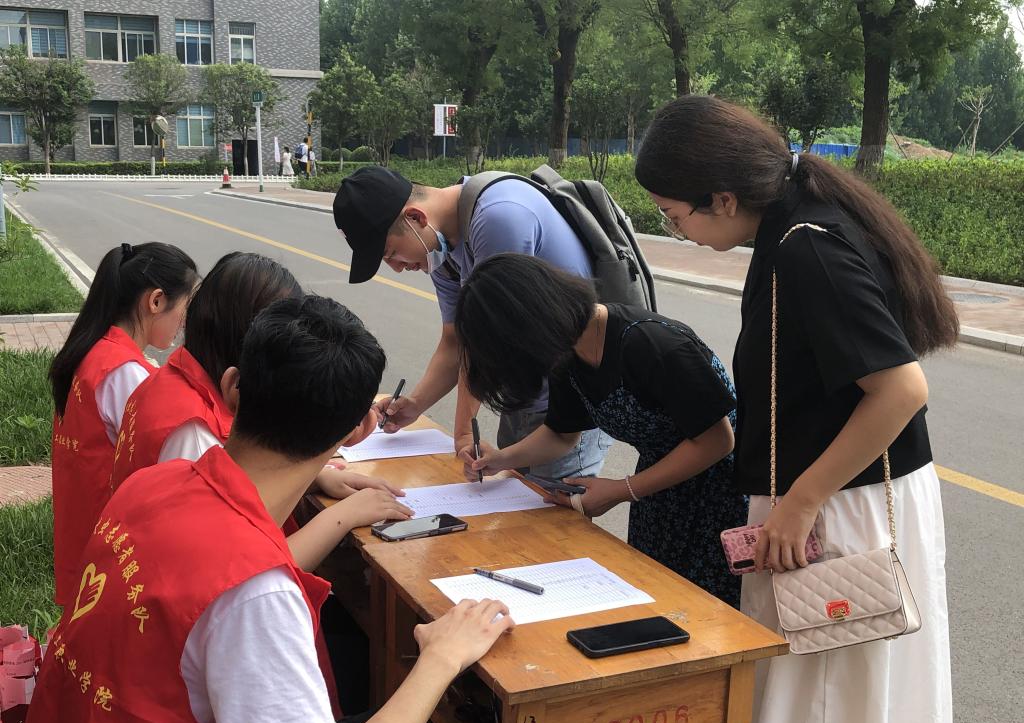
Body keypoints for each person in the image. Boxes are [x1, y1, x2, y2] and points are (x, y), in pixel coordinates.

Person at [17, 295, 516, 723]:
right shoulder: (256, 593)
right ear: (356, 431)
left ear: (233, 385)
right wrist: (441, 656)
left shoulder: (150, 484)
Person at [635, 95, 956, 723]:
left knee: (827, 703)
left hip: (838, 505)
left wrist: (800, 502)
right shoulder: (799, 221)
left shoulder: (806, 245)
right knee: (831, 699)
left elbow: (901, 390)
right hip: (834, 496)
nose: (674, 229)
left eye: (673, 215)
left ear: (723, 199)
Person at [456, 255, 745, 606]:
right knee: (659, 599)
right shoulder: (570, 354)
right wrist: (501, 459)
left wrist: (621, 490)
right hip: (661, 495)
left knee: (710, 610)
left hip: (723, 496)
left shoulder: (651, 344)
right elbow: (562, 433)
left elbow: (717, 440)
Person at [109, 251, 411, 572]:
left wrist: (313, 478)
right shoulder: (193, 433)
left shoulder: (176, 380)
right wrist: (343, 516)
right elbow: (236, 569)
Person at [333, 166, 612, 480]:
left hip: (571, 405)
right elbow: (456, 339)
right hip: (525, 398)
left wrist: (464, 433)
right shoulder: (441, 249)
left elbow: (487, 343)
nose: (397, 268)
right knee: (520, 503)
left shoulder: (498, 218)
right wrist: (415, 403)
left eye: (391, 253)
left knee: (553, 509)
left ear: (415, 218)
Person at [47, 241, 198, 608]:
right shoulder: (127, 375)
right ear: (156, 301)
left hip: (83, 537)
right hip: (115, 553)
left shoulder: (93, 352)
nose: (184, 323)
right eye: (186, 308)